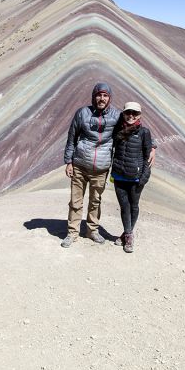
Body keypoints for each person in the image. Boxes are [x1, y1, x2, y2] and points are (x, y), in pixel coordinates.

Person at [62, 82, 121, 248]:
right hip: (79, 165)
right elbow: (72, 137)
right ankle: (72, 232)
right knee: (75, 201)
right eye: (99, 95)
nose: (101, 98)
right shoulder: (82, 113)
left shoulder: (117, 116)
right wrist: (68, 162)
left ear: (109, 98)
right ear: (94, 96)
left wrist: (151, 145)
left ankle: (92, 230)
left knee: (95, 201)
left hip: (101, 168)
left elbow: (132, 129)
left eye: (105, 95)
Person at [111, 101, 156, 253]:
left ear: (140, 115)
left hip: (136, 177)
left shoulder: (144, 132)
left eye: (135, 113)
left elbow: (147, 156)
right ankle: (127, 232)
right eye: (128, 112)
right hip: (118, 175)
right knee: (124, 206)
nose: (131, 116)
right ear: (123, 113)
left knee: (134, 205)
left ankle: (128, 235)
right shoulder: (117, 129)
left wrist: (144, 177)